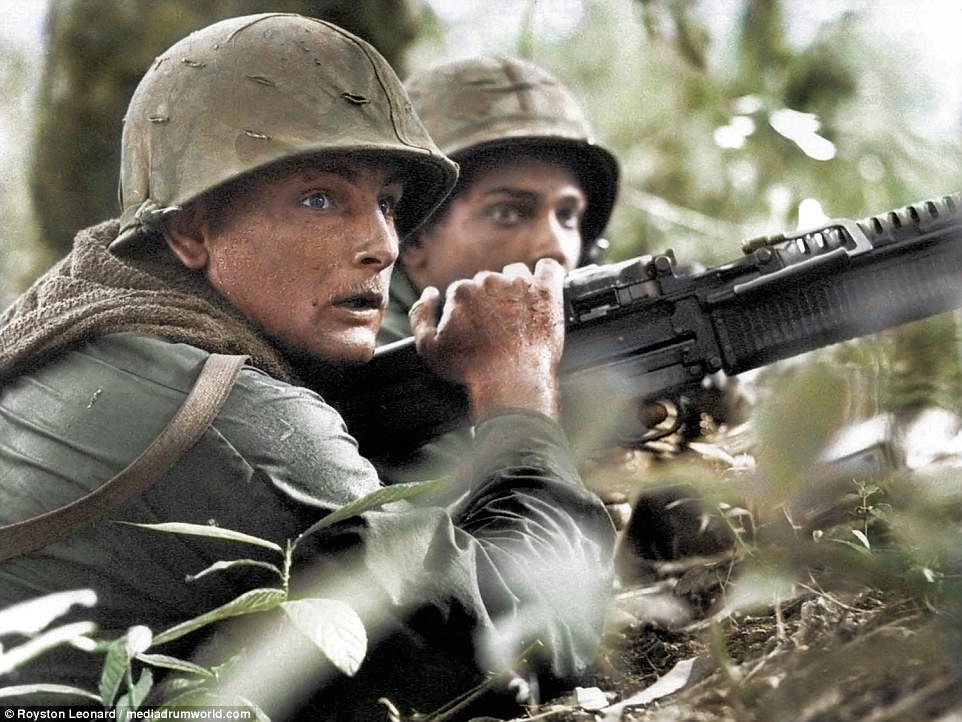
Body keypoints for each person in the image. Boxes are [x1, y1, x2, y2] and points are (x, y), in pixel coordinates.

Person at [0, 14, 615, 720]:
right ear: (192, 229)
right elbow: (534, 633)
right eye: (321, 198)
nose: (381, 243)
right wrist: (519, 392)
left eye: (386, 203)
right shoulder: (232, 413)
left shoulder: (90, 330)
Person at [379, 54, 618, 345]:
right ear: (413, 238)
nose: (555, 248)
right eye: (507, 214)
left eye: (567, 215)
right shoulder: (354, 364)